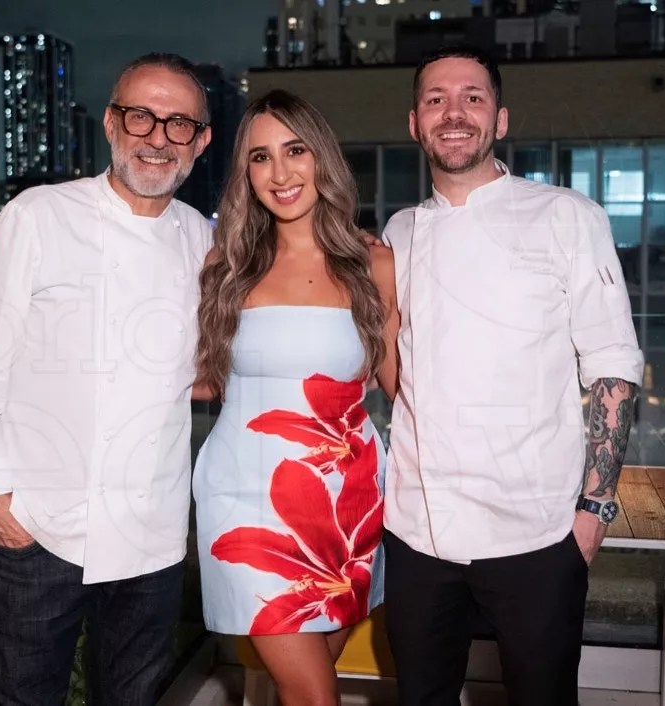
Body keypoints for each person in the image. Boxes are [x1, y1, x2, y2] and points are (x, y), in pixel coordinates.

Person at [0, 53, 213, 705]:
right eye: (140, 116)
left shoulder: (202, 239)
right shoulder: (38, 215)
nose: (157, 137)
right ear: (111, 124)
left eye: (178, 123)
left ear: (200, 142)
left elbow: (198, 368)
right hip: (41, 525)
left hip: (151, 534)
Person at [381, 47, 644, 706]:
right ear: (415, 123)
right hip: (416, 532)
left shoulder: (566, 215)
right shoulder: (399, 232)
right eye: (436, 99)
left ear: (500, 120)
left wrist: (594, 510)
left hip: (537, 533)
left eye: (472, 97)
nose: (454, 113)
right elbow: (401, 369)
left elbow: (612, 363)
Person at [192, 89, 399, 705]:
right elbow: (202, 378)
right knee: (313, 691)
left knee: (307, 684)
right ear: (245, 173)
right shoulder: (226, 264)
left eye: (295, 150)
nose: (280, 173)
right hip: (243, 497)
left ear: (321, 158)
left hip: (347, 502)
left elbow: (403, 387)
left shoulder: (374, 264)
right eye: (260, 157)